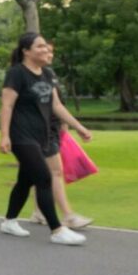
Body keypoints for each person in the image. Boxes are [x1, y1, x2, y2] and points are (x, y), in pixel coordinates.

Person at [0, 32, 92, 246]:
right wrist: (4, 135)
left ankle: (9, 221)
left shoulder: (47, 74)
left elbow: (57, 106)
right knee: (44, 178)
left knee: (25, 180)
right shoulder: (16, 73)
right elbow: (7, 105)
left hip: (41, 137)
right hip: (21, 136)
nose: (45, 50)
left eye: (46, 47)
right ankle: (57, 229)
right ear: (26, 50)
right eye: (40, 47)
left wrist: (79, 127)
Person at [29, 44, 93, 229]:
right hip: (38, 131)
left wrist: (69, 126)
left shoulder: (49, 74)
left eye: (51, 51)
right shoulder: (23, 76)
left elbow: (57, 104)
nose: (49, 54)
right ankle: (68, 216)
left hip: (52, 129)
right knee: (55, 172)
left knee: (38, 174)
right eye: (45, 51)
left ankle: (38, 212)